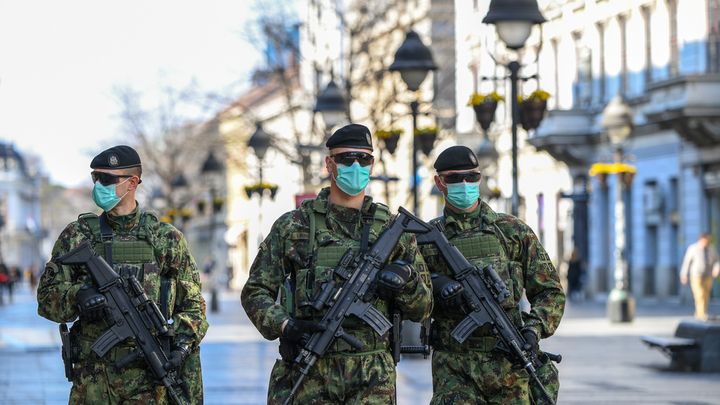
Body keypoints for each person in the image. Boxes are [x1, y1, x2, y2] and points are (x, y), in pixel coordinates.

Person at [241, 124, 433, 404]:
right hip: (307, 374)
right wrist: (285, 326)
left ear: (372, 164)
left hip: (372, 380)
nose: (356, 166)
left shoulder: (393, 230)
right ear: (329, 164)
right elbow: (255, 291)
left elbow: (424, 308)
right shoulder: (294, 226)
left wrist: (404, 280)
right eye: (346, 159)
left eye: (364, 159)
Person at [37, 145, 209, 404]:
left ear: (132, 183)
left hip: (150, 382)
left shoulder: (166, 239)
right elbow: (45, 300)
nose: (99, 186)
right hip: (93, 383)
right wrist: (79, 296)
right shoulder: (77, 235)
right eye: (96, 178)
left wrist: (181, 348)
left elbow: (194, 306)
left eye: (107, 179)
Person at [419, 145, 565, 405]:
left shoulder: (512, 231)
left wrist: (533, 329)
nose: (464, 184)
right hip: (454, 367)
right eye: (454, 178)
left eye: (471, 177)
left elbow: (549, 291)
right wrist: (436, 286)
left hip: (509, 364)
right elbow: (410, 296)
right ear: (439, 183)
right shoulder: (425, 239)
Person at [680, 232, 720, 320]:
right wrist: (684, 275)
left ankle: (699, 313)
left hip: (708, 275)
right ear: (701, 239)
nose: (708, 241)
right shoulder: (693, 248)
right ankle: (702, 314)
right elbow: (687, 262)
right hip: (696, 275)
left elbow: (717, 260)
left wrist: (716, 269)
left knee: (706, 295)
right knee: (700, 294)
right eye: (707, 239)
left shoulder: (711, 249)